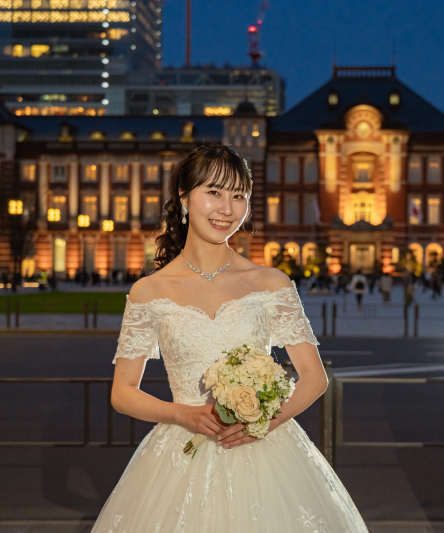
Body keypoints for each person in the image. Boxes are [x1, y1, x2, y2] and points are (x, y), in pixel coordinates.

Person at [92, 144, 367, 532]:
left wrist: (263, 423)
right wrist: (181, 413)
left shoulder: (270, 283)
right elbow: (122, 393)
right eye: (214, 192)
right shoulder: (149, 292)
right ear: (185, 199)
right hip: (181, 452)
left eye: (238, 196)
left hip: (266, 451)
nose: (226, 208)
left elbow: (314, 377)